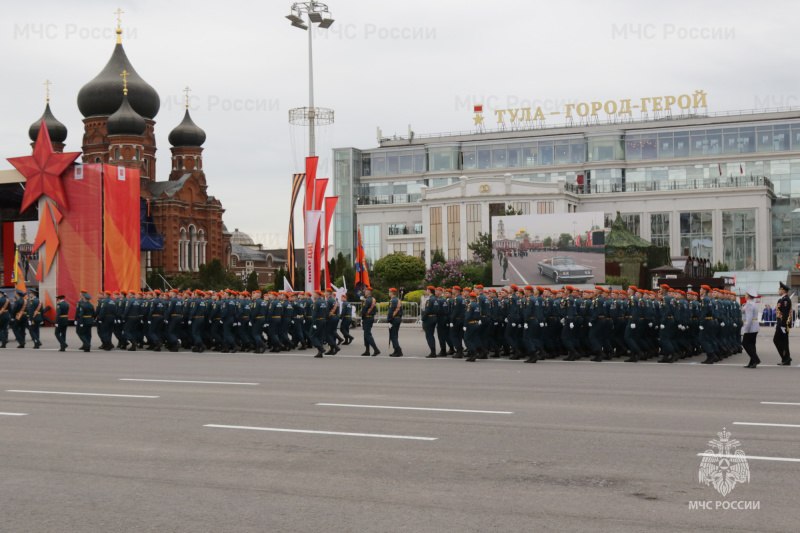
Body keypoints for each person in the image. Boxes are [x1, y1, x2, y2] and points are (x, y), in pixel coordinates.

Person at [741, 288, 761, 368]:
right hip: (755, 326)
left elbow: (749, 319)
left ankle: (756, 359)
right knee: (752, 345)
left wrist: (745, 329)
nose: (744, 295)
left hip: (750, 327)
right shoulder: (753, 303)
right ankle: (752, 362)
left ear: (748, 296)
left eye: (746, 294)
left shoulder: (749, 305)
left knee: (745, 343)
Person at [774, 281, 792, 366]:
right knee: (779, 341)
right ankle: (786, 358)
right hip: (780, 323)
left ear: (783, 290)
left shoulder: (786, 300)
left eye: (779, 289)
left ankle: (786, 358)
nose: (778, 291)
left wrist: (782, 325)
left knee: (781, 341)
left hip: (783, 324)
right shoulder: (781, 299)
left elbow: (785, 314)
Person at [360, 288, 380, 356]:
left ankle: (376, 349)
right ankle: (367, 351)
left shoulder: (367, 300)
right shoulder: (372, 299)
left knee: (367, 335)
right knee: (366, 335)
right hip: (370, 318)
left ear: (368, 292)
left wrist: (361, 314)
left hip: (367, 318)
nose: (364, 292)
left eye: (365, 291)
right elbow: (375, 309)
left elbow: (364, 310)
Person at [387, 287, 403, 357]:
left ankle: (398, 351)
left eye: (389, 292)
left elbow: (391, 311)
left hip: (394, 319)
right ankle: (396, 351)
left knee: (393, 336)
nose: (388, 293)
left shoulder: (393, 300)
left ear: (392, 293)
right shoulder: (397, 300)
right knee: (395, 335)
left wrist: (389, 319)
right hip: (397, 319)